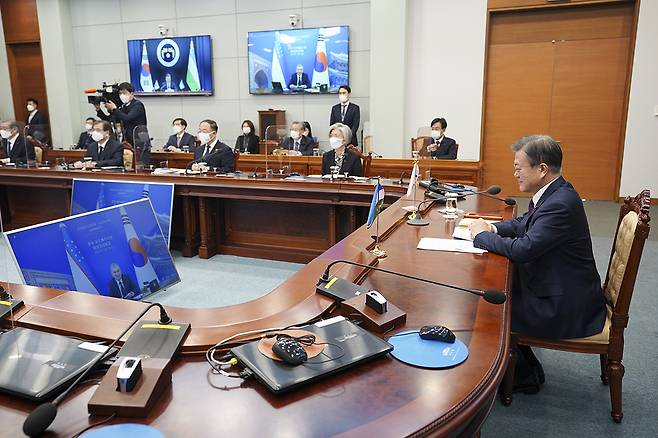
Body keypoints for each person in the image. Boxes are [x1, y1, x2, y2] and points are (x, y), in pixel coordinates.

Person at [469, 135, 606, 391]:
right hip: (562, 287)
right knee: (496, 292)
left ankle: (517, 376)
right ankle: (526, 368)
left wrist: (481, 236)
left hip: (564, 304)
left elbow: (524, 249)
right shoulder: (555, 192)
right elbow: (524, 224)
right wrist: (493, 228)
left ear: (542, 169)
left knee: (488, 307)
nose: (515, 173)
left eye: (519, 167)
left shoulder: (560, 204)